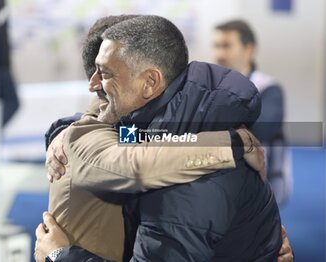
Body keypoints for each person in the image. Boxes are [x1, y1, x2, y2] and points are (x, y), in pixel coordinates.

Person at [36, 15, 293, 261]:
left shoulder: (186, 181)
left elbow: (132, 165)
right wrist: (67, 130)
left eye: (104, 74)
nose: (93, 85)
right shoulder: (161, 113)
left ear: (150, 81)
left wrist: (61, 256)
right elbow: (127, 139)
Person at [213, 19, 292, 205]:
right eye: (216, 46)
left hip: (264, 181)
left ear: (249, 49)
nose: (219, 54)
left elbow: (261, 130)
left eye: (226, 46)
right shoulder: (211, 87)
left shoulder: (269, 88)